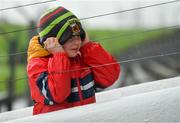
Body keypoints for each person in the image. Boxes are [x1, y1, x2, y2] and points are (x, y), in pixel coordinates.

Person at [27, 6, 120, 115]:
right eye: (70, 38)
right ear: (52, 40)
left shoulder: (80, 58)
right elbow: (58, 94)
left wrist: (88, 47)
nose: (76, 43)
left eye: (79, 37)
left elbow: (110, 77)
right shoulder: (37, 65)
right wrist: (59, 55)